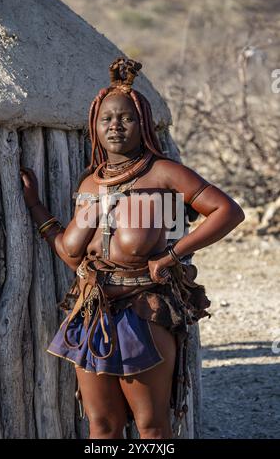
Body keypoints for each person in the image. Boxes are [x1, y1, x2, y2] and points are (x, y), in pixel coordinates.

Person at [20, 57, 245, 439]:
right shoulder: (91, 184)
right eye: (106, 119)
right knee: (102, 427)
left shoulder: (163, 173)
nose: (115, 126)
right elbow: (70, 252)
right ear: (94, 126)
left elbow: (228, 211)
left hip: (143, 310)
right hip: (92, 311)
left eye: (126, 118)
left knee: (152, 428)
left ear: (142, 124)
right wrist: (35, 205)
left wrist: (171, 255)